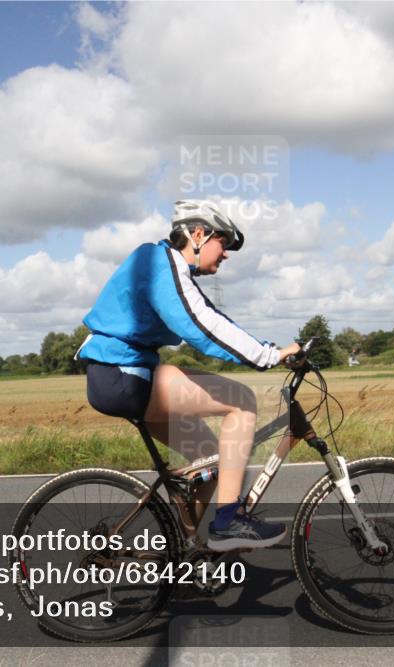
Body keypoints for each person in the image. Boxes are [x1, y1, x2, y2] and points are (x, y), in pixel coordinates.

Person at [76, 199, 301, 550]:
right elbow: (200, 325)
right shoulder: (158, 264)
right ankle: (229, 521)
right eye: (222, 243)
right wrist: (268, 355)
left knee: (209, 461)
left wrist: (268, 348)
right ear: (197, 234)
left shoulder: (170, 270)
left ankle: (185, 551)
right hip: (122, 376)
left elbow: (213, 318)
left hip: (127, 375)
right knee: (242, 401)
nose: (224, 254)